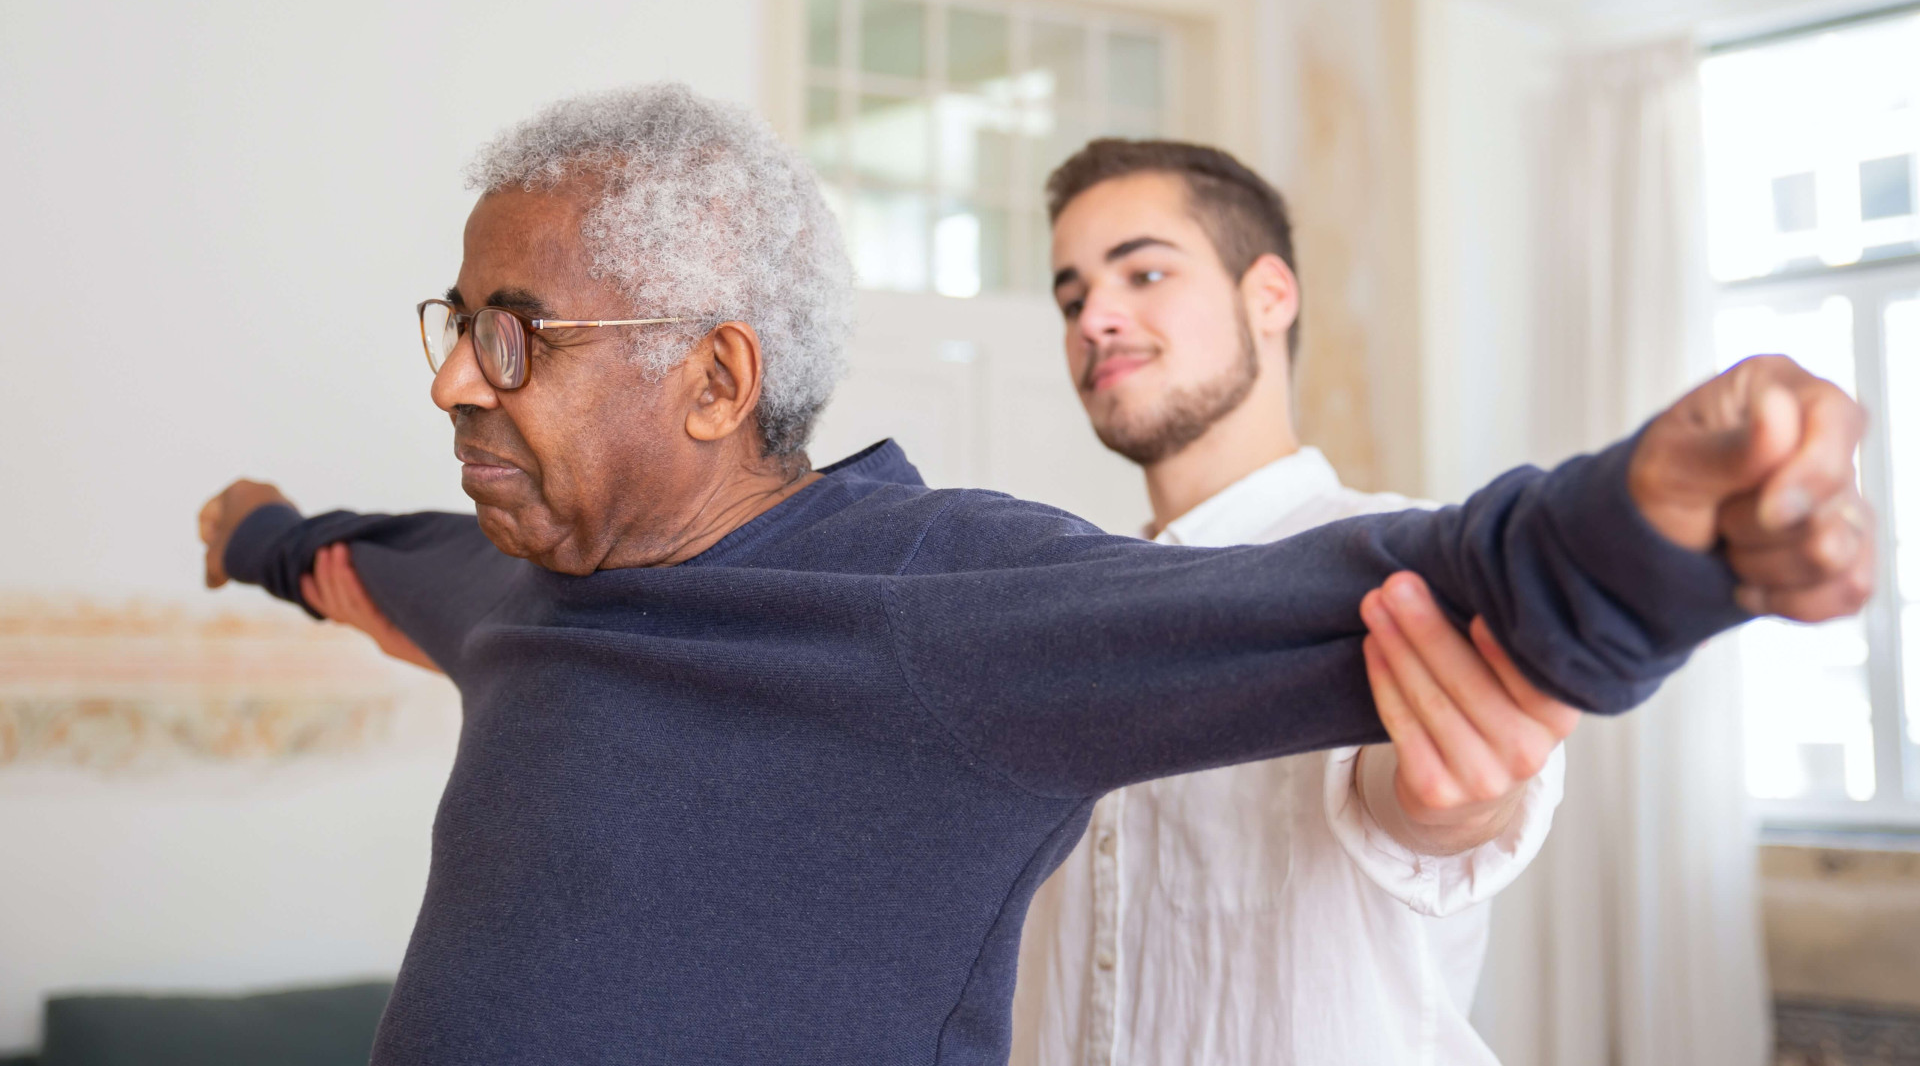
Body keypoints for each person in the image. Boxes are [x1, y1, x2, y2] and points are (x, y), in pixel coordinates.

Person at [197, 83, 1872, 1066]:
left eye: (513, 337)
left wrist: (1673, 530)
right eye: (1072, 286)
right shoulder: (516, 596)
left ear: (713, 381)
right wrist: (261, 538)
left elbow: (1398, 586)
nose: (453, 382)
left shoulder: (943, 605)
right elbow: (378, 566)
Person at [1014, 140, 1576, 1065]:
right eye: (1072, 298)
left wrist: (1457, 800)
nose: (1095, 319)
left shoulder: (1404, 565)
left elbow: (1432, 814)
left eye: (1144, 272)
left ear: (1269, 295)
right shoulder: (1061, 607)